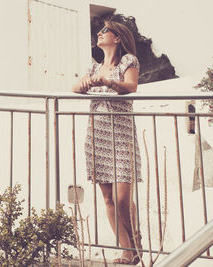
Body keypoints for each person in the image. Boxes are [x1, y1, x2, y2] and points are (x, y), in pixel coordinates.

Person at [72, 17, 142, 265]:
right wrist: (81, 85)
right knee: (109, 199)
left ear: (118, 37)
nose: (99, 34)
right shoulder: (93, 67)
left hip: (121, 135)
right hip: (97, 136)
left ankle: (134, 245)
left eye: (105, 31)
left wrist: (109, 82)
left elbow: (131, 87)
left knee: (123, 198)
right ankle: (128, 250)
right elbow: (75, 88)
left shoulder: (128, 61)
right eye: (99, 32)